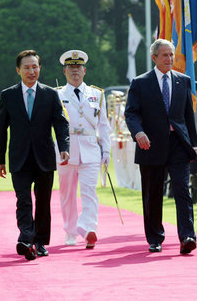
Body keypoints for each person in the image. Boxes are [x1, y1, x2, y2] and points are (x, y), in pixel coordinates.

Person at [124, 39, 197, 254]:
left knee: (182, 190)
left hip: (178, 145)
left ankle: (187, 236)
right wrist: (138, 132)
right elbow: (131, 112)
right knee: (153, 193)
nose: (169, 59)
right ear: (154, 57)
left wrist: (194, 144)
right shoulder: (140, 83)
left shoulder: (182, 81)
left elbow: (187, 116)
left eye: (172, 54)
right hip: (150, 145)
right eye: (165, 55)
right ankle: (155, 237)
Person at [0, 50, 70, 260]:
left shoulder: (50, 94)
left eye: (35, 66)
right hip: (19, 157)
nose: (31, 71)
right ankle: (26, 238)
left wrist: (64, 147)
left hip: (44, 156)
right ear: (18, 70)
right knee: (24, 200)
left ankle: (40, 241)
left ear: (40, 68)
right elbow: (1, 129)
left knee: (43, 200)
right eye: (26, 67)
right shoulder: (8, 95)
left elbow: (61, 124)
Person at [55, 50, 111, 249]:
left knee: (89, 191)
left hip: (90, 148)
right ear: (65, 71)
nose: (75, 71)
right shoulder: (57, 94)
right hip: (66, 150)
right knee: (67, 193)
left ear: (84, 70)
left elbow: (103, 124)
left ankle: (88, 229)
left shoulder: (96, 94)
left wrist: (106, 151)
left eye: (78, 67)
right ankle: (70, 230)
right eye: (71, 67)